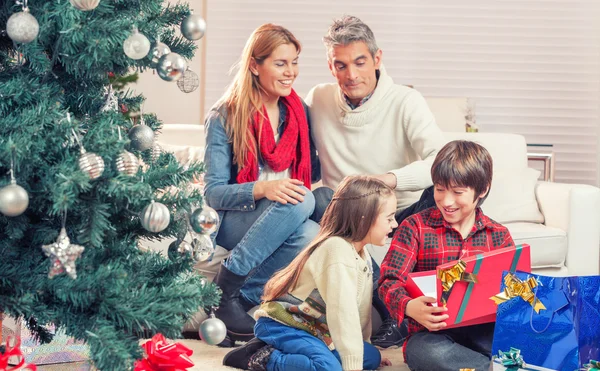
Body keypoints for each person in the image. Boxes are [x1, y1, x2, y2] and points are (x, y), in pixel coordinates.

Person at [305, 15, 446, 348]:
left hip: (403, 209)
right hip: (350, 213)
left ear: (377, 58)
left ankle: (397, 314)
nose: (351, 75)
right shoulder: (318, 99)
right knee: (323, 196)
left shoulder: (405, 101)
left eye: (359, 62)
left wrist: (389, 179)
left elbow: (442, 161)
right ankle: (394, 312)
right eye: (340, 66)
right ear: (330, 66)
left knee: (432, 196)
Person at [203, 23, 330, 344]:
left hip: (284, 219)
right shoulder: (224, 116)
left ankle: (238, 297)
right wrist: (263, 189)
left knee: (312, 231)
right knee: (302, 200)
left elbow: (313, 171)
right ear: (254, 66)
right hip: (236, 219)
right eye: (280, 63)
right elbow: (214, 193)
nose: (291, 72)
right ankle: (225, 286)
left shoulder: (299, 111)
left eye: (295, 62)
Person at [223, 175, 395, 371]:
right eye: (389, 218)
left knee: (370, 357)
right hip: (286, 325)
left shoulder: (361, 255)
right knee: (327, 368)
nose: (394, 224)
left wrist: (365, 348)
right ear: (365, 218)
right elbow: (343, 314)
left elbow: (360, 313)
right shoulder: (337, 250)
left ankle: (302, 352)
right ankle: (262, 357)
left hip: (317, 331)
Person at [378, 140, 516, 371]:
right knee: (422, 352)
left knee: (512, 341)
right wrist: (410, 306)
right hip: (432, 334)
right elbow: (388, 280)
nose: (446, 201)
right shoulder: (415, 227)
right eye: (440, 189)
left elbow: (513, 291)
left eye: (458, 192)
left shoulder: (499, 234)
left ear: (482, 190)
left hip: (483, 332)